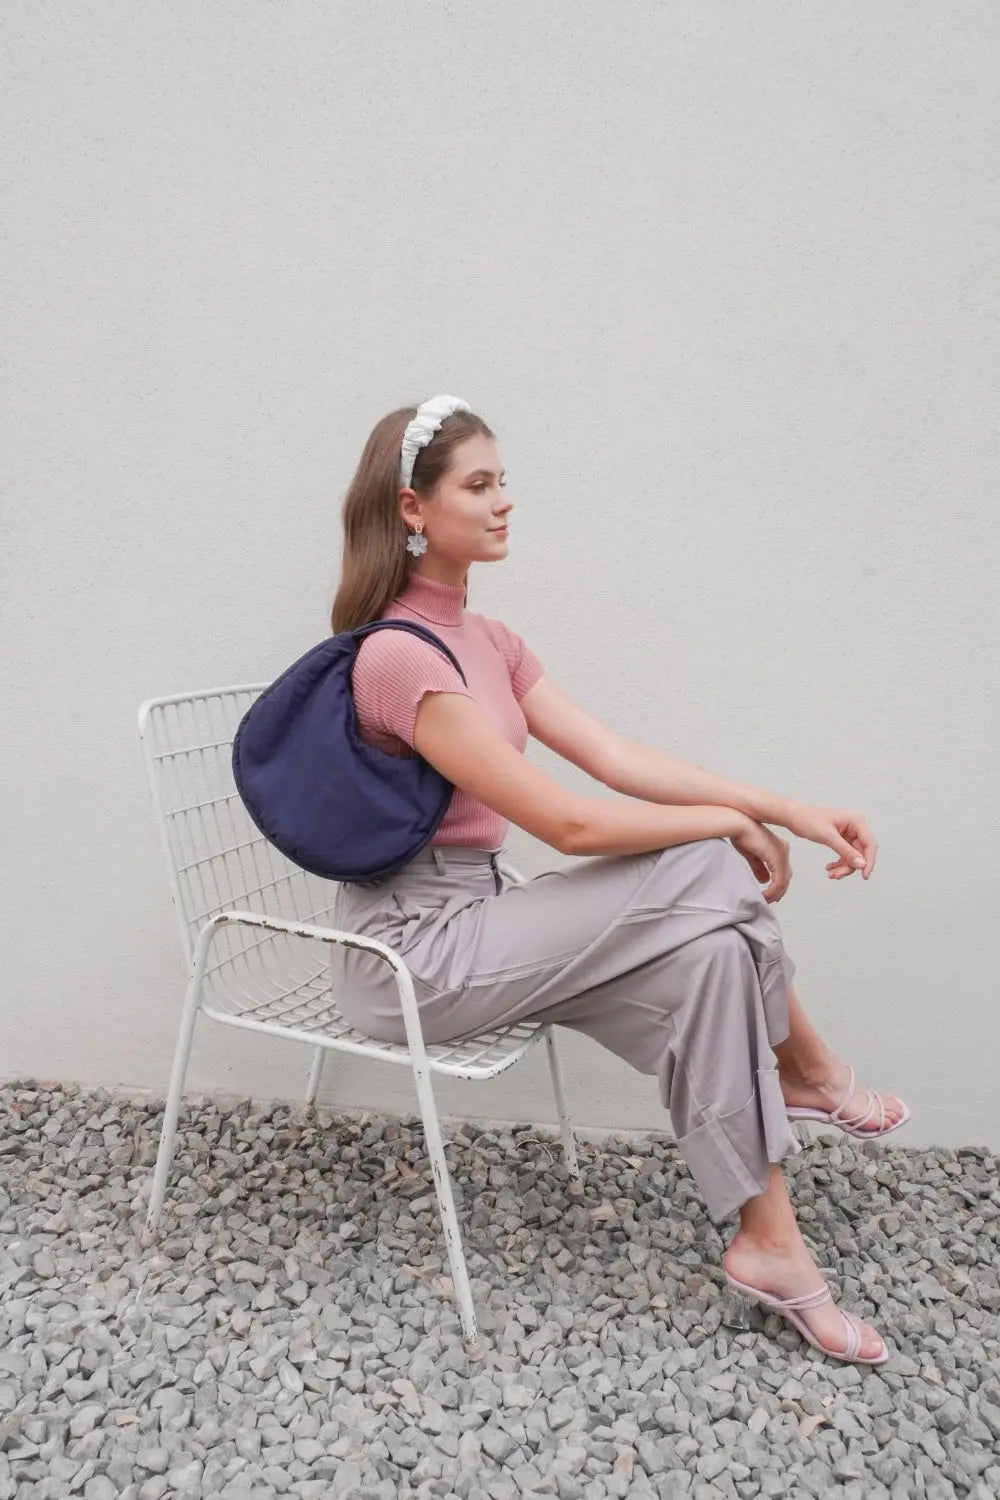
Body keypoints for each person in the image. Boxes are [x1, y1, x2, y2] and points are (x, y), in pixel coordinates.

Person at [327, 393, 909, 1366]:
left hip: (488, 925)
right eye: (479, 484)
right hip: (413, 957)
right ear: (413, 508)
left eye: (504, 480)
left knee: (712, 957)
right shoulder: (396, 657)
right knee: (701, 860)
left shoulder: (491, 642)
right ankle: (810, 1072)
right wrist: (729, 826)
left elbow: (614, 758)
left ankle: (770, 1243)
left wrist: (787, 807)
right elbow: (567, 824)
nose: (505, 501)